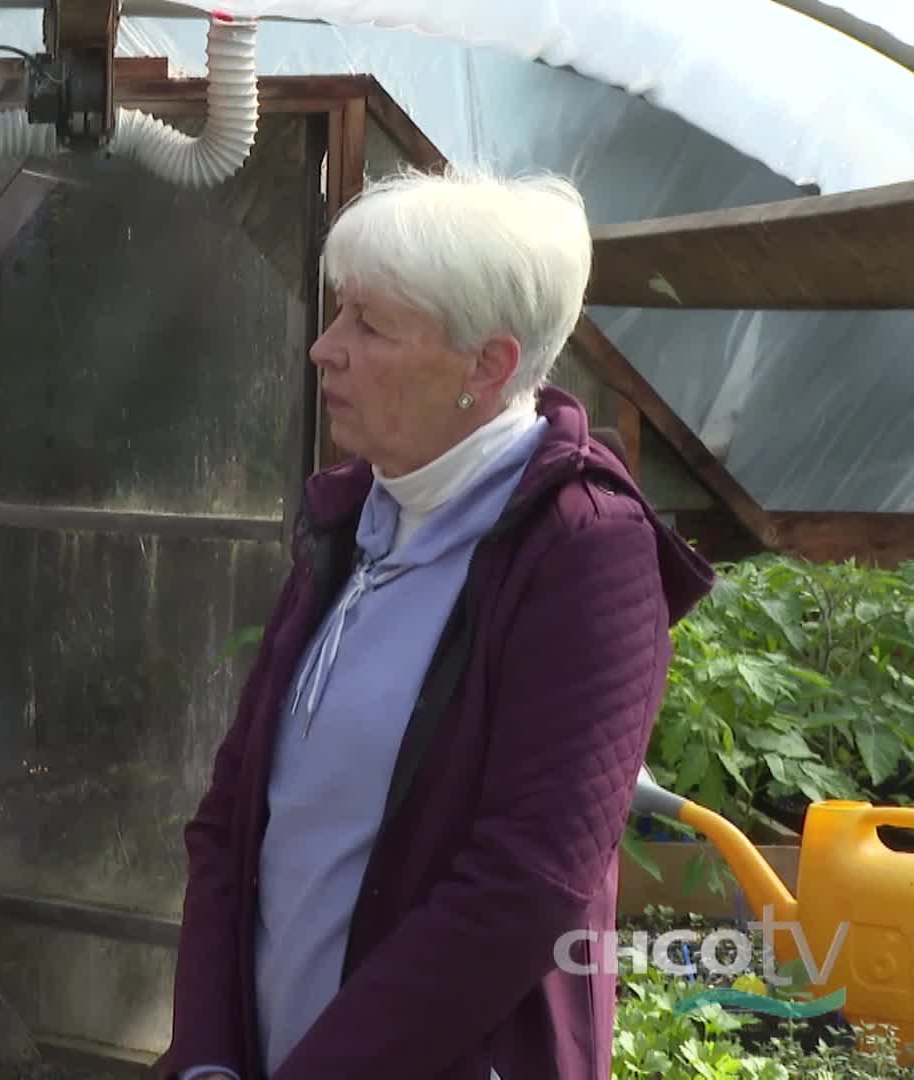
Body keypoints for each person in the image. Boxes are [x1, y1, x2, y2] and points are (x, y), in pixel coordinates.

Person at [158, 166, 716, 1080]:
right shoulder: (359, 520)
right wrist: (209, 1058)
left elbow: (526, 883)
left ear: (487, 366)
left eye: (369, 325)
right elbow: (231, 821)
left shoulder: (581, 549)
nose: (322, 349)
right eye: (340, 313)